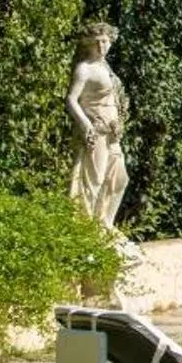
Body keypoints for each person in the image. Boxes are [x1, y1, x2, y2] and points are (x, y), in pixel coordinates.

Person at [66, 24, 130, 232]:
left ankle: (105, 223)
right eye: (97, 42)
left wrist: (119, 120)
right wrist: (85, 126)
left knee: (120, 178)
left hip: (112, 132)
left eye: (105, 41)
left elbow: (113, 99)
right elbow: (71, 100)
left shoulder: (105, 67)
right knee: (94, 180)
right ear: (89, 44)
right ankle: (86, 229)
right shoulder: (85, 68)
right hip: (97, 131)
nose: (102, 45)